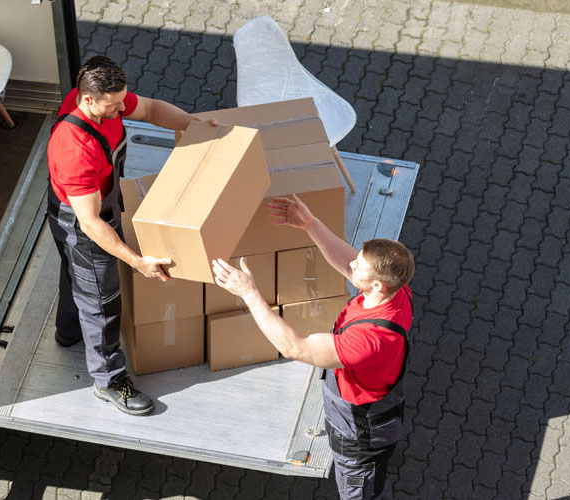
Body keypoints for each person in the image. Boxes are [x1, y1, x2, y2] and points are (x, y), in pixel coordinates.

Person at [211, 194, 415, 499]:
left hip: (359, 432)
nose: (352, 263)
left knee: (360, 489)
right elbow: (347, 263)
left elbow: (294, 347)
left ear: (377, 285)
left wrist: (249, 293)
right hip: (369, 410)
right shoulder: (396, 293)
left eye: (360, 265)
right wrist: (310, 224)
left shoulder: (368, 341)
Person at [46, 55, 215, 415]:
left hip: (85, 206)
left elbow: (151, 108)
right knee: (102, 301)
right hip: (83, 222)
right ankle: (108, 380)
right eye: (115, 104)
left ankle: (68, 330)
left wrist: (195, 125)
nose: (123, 107)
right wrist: (137, 262)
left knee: (74, 274)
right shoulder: (75, 149)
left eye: (123, 99)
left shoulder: (102, 100)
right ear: (88, 99)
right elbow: (91, 224)